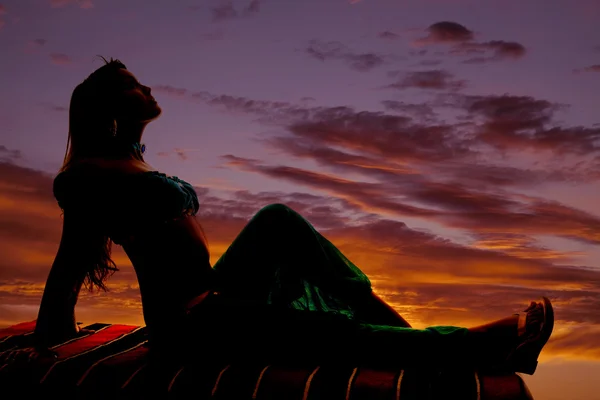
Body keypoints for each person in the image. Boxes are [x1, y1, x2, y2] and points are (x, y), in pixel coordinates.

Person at [29, 57, 553, 375]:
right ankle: (478, 346)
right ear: (107, 107)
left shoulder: (129, 161)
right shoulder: (87, 176)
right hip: (190, 326)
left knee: (277, 219)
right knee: (326, 334)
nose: (147, 89)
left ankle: (391, 319)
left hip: (213, 294)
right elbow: (71, 259)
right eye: (133, 84)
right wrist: (52, 340)